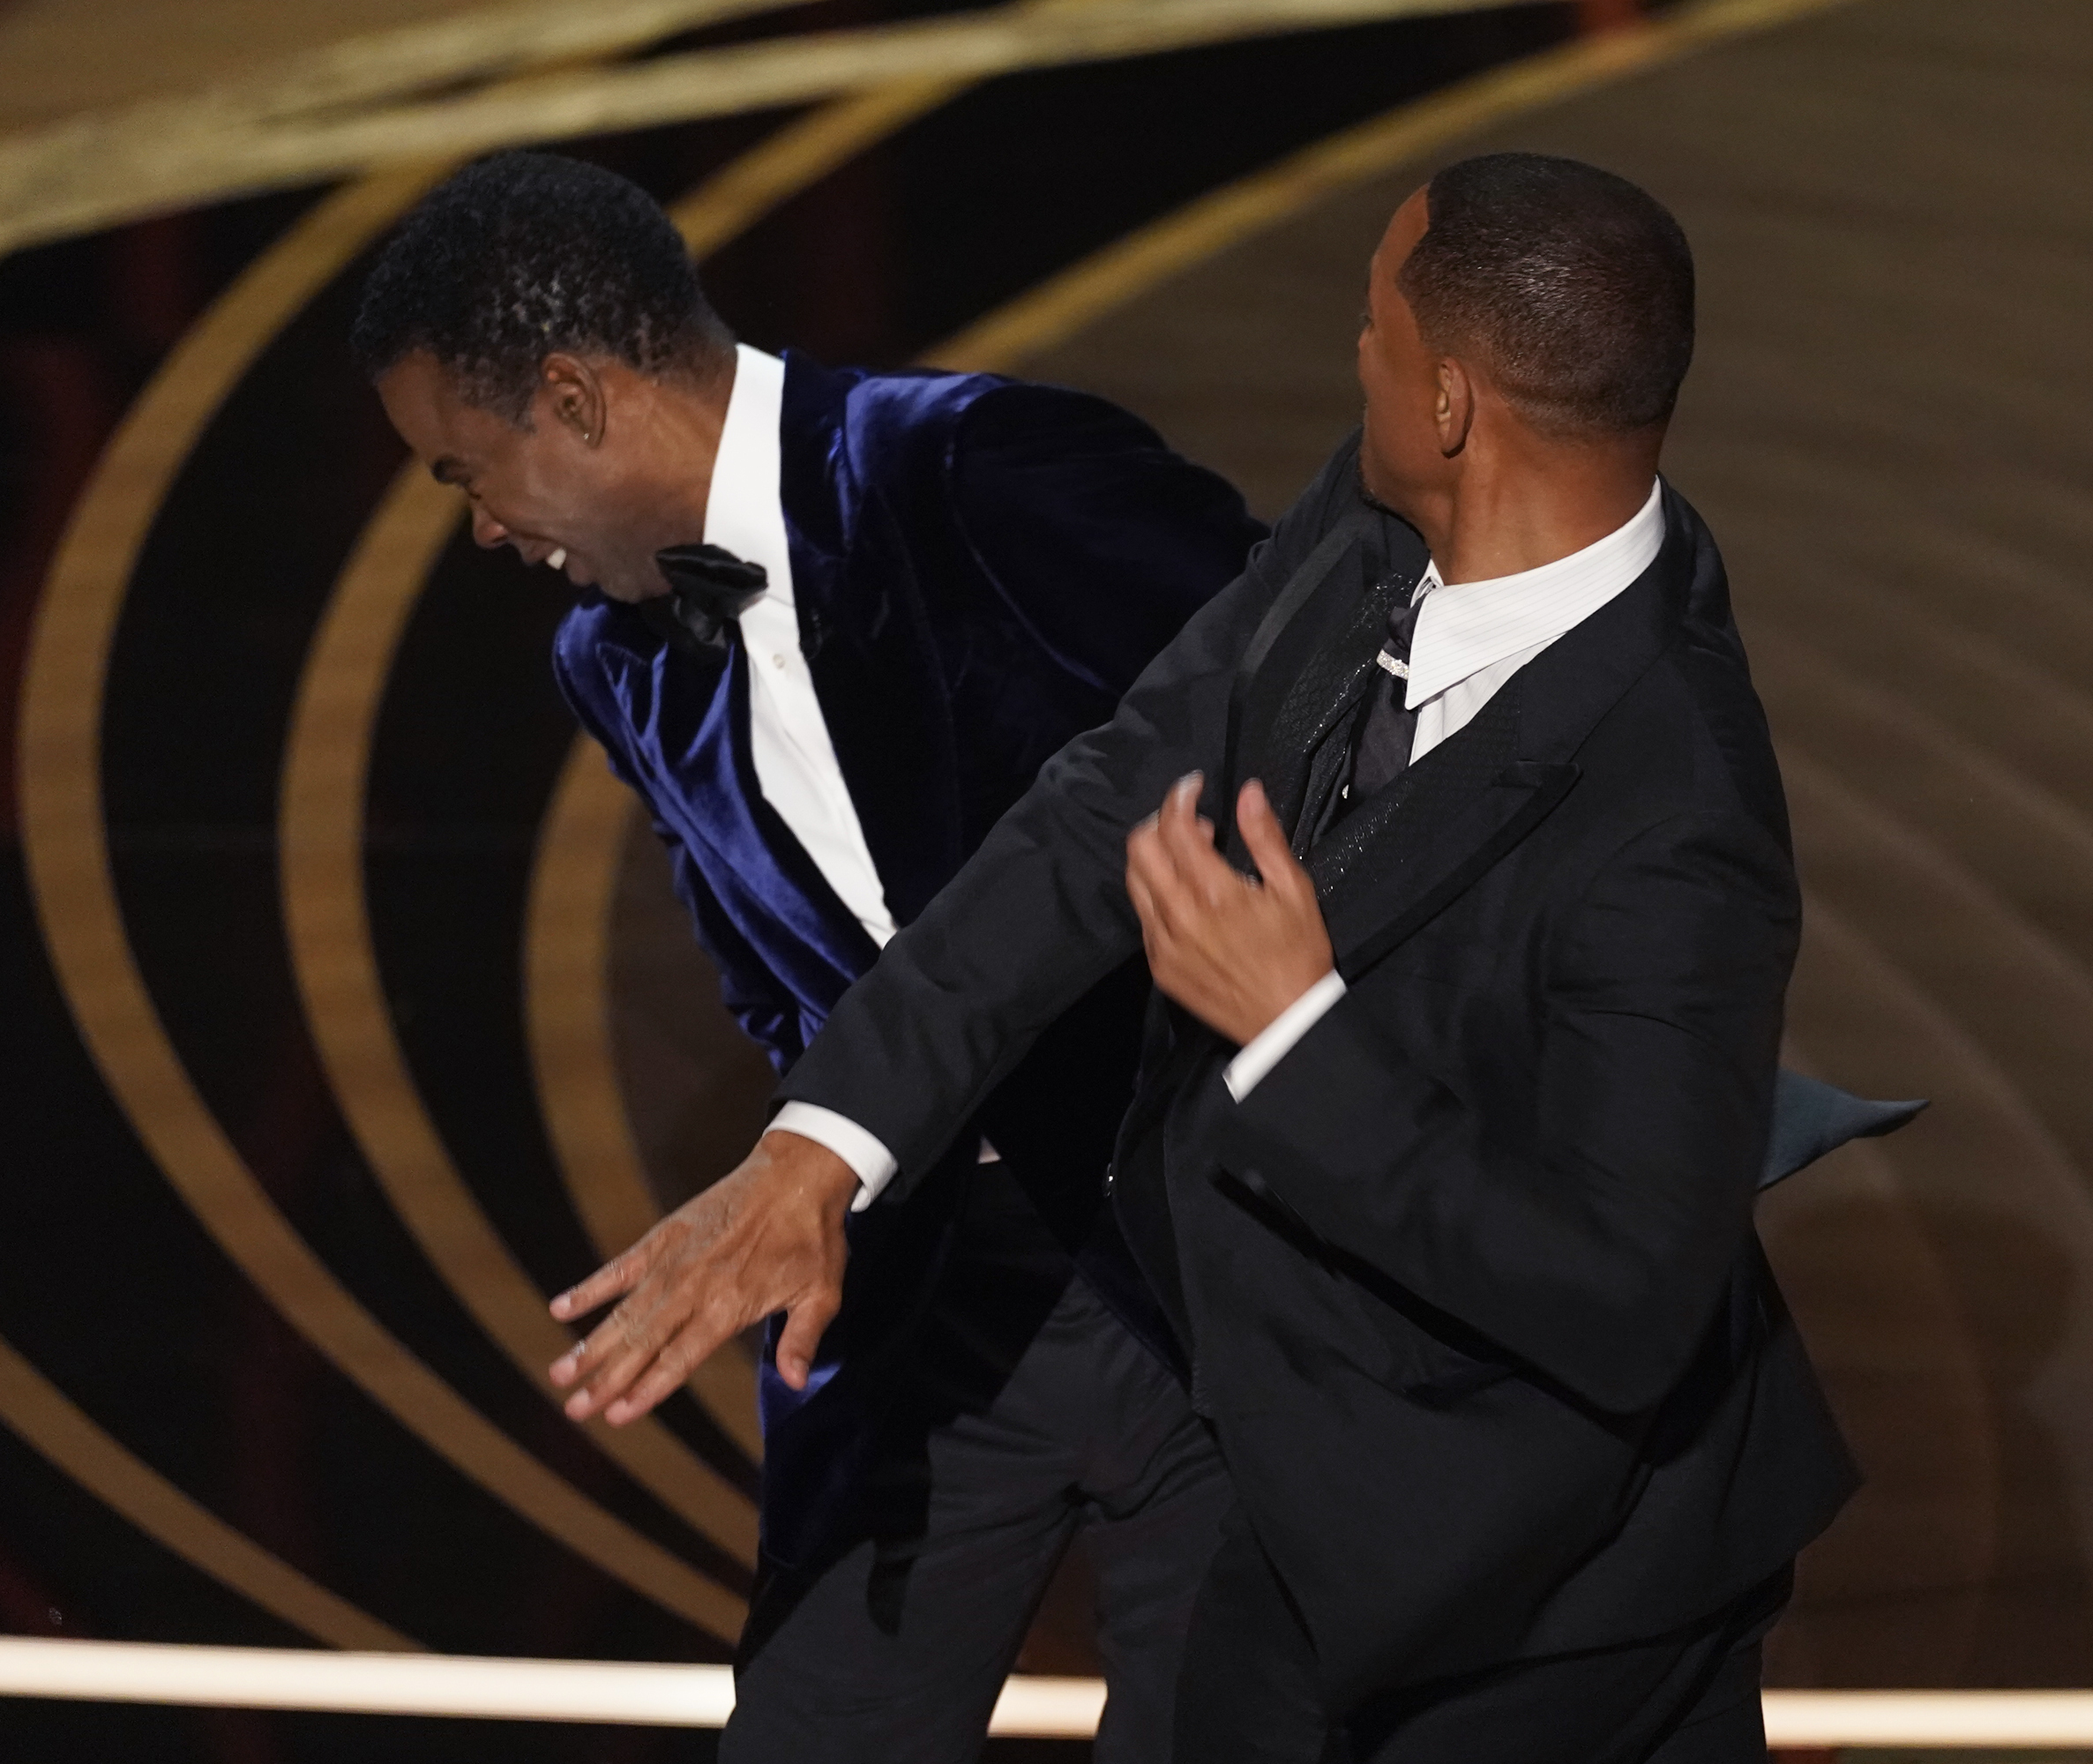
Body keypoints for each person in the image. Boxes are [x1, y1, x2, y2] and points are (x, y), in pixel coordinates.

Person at [549, 153, 1902, 1761]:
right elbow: (1105, 801)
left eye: (1373, 331)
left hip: (1550, 1607)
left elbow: (1616, 1300)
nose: (1355, 359)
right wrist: (824, 1144)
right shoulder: (1373, 520)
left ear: (1455, 404)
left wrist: (1293, 1030)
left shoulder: (1678, 812)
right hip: (1291, 1507)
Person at [352, 150, 1267, 1763]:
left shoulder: (985, 467)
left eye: (461, 471)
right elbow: (775, 983)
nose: (482, 530)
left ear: (573, 396)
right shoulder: (611, 661)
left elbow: (1324, 744)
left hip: (1206, 1270)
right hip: (920, 1297)